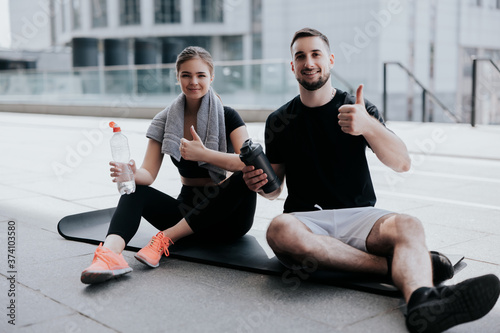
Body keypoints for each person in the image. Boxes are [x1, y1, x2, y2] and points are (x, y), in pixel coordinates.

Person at [242, 27, 500, 333]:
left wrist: (368, 126)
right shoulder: (279, 120)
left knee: (410, 225)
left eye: (316, 54)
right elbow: (275, 190)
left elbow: (402, 163)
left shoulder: (358, 108)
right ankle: (396, 267)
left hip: (359, 217)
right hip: (305, 221)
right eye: (300, 56)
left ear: (331, 60)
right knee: (279, 230)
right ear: (292, 65)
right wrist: (260, 184)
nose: (308, 62)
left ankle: (423, 305)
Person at [81, 46, 256, 284]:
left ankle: (165, 238)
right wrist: (132, 174)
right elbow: (148, 174)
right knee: (135, 191)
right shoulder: (165, 120)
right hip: (186, 210)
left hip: (228, 219)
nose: (193, 81)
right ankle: (109, 256)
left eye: (201, 75)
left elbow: (249, 161)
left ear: (211, 77)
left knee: (246, 174)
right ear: (177, 77)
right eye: (186, 75)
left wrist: (205, 154)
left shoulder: (228, 116)